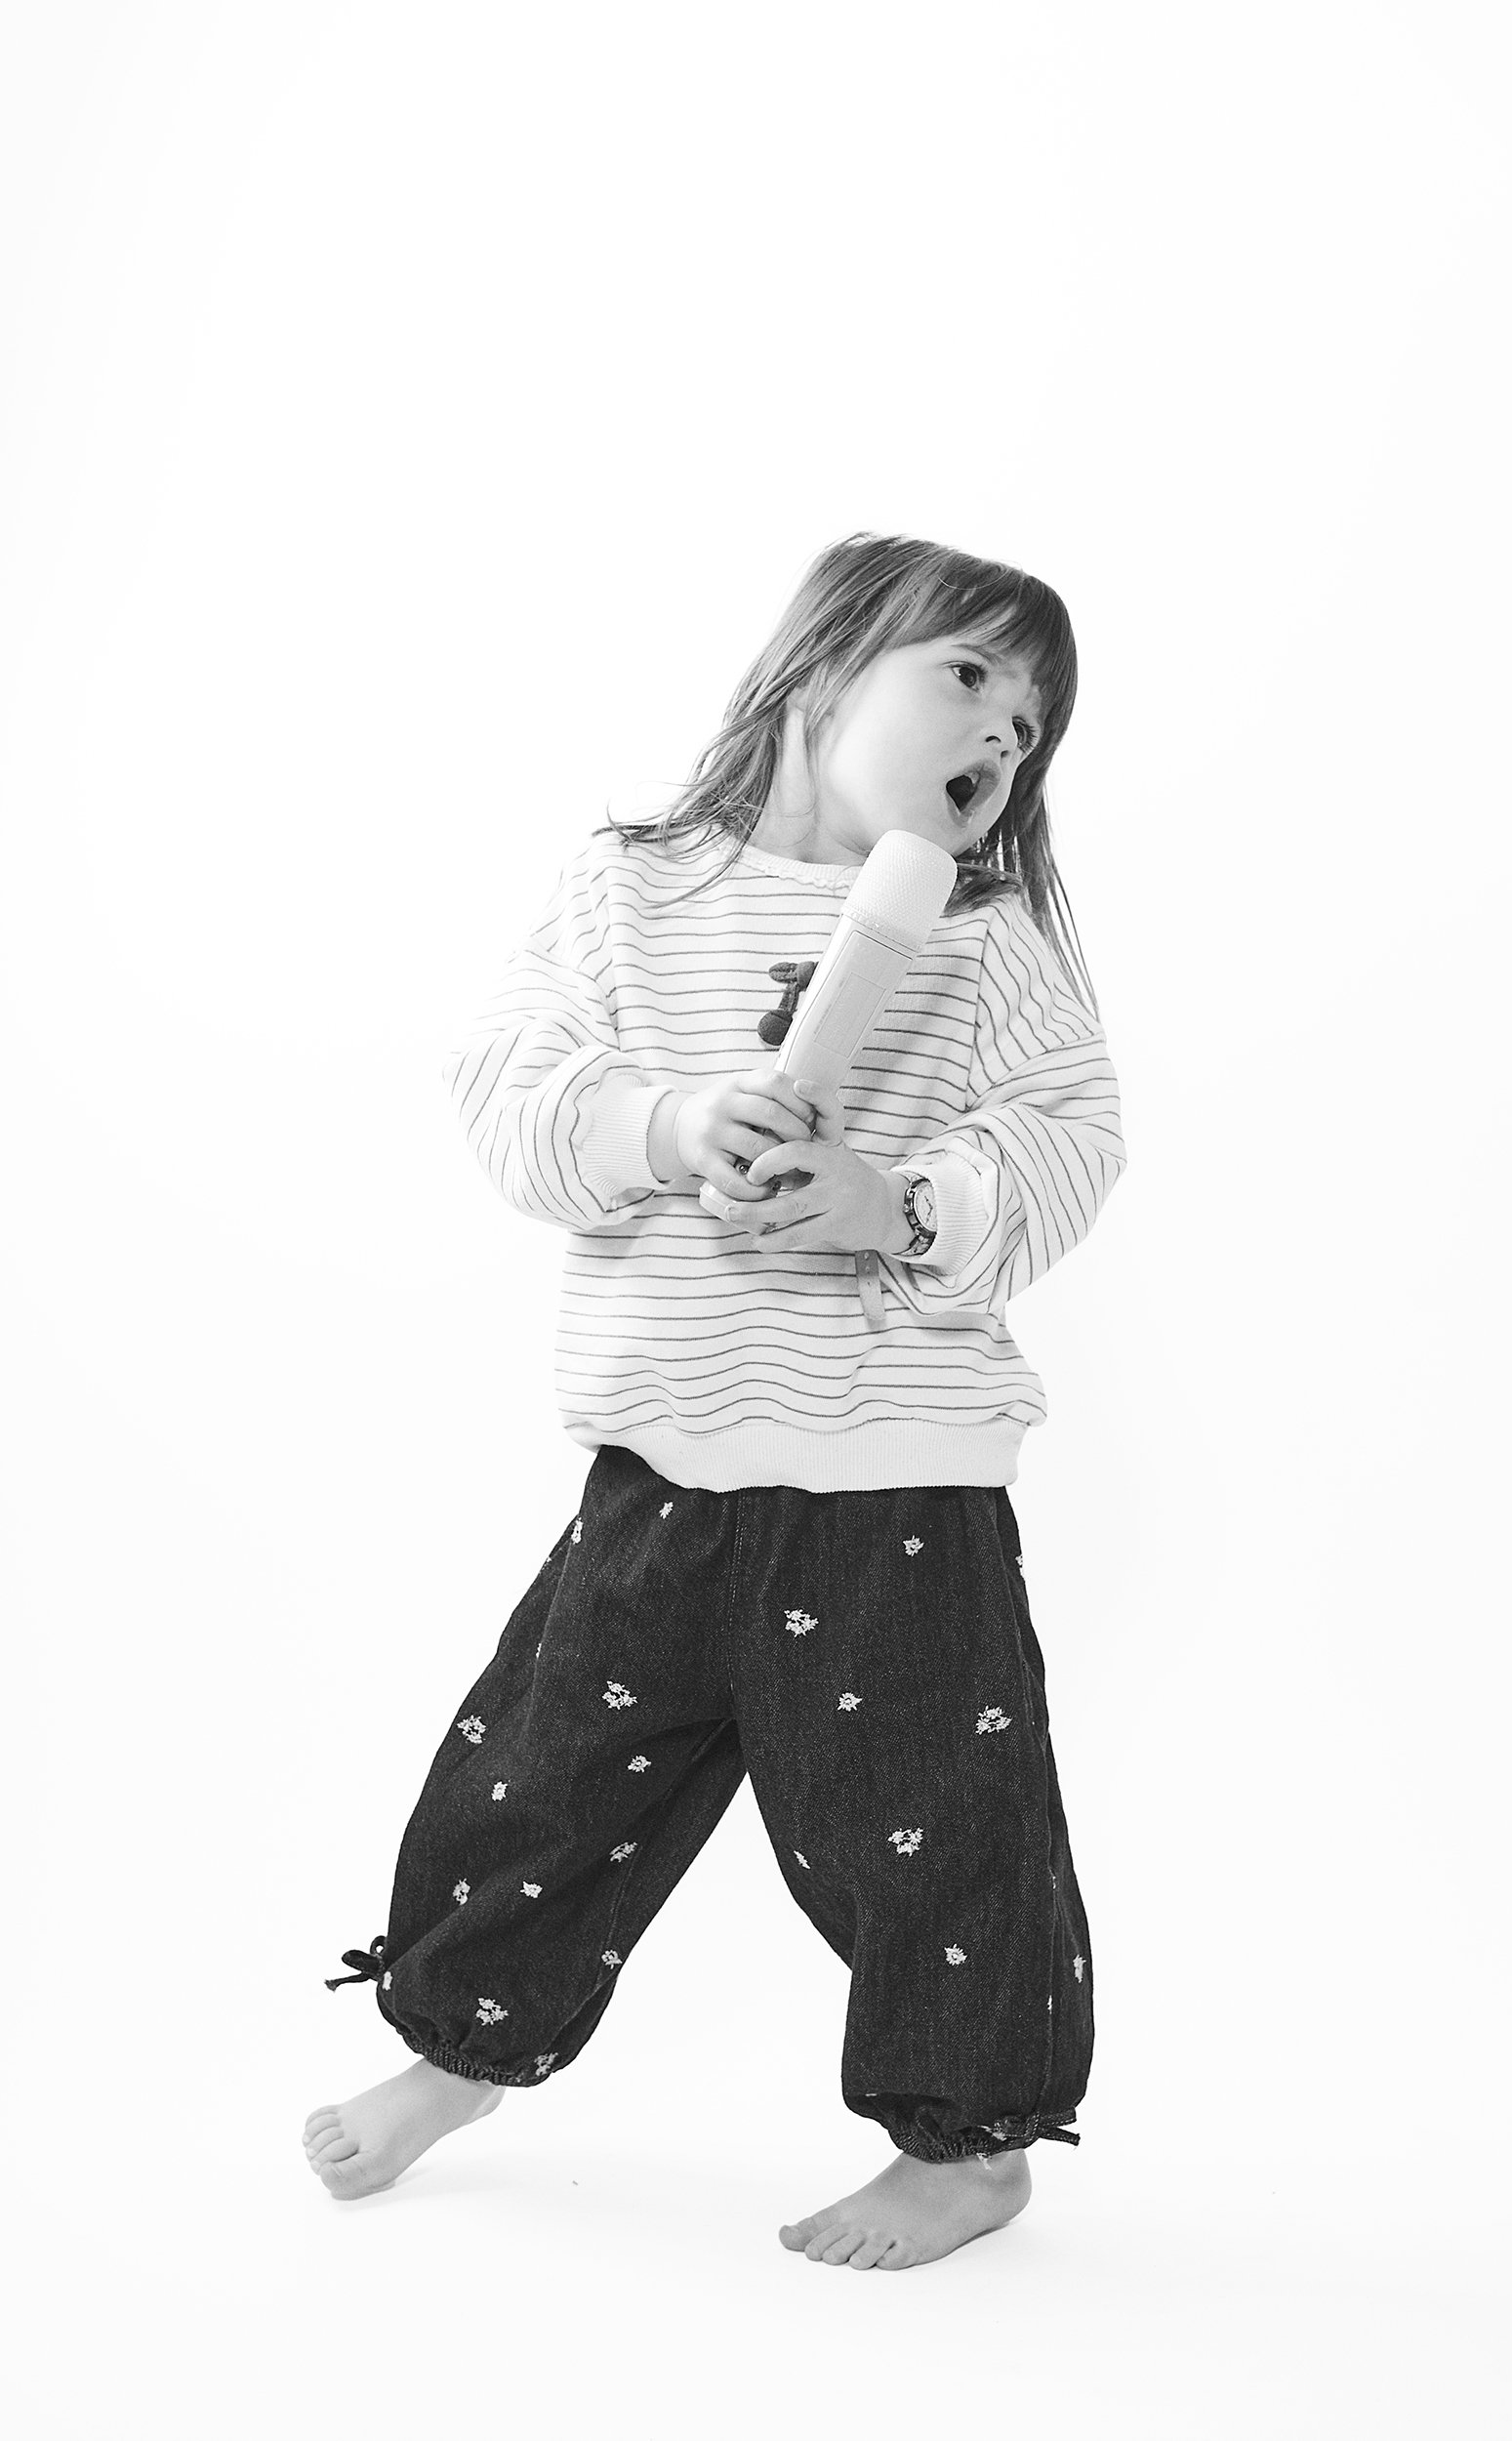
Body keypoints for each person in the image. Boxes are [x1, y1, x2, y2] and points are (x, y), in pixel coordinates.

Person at [302, 531, 1128, 2271]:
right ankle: (456, 2048)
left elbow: (1070, 1138)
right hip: (665, 1459)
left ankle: (972, 2144)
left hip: (895, 1475)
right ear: (821, 670)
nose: (1005, 732)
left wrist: (893, 1204)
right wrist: (673, 1126)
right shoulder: (632, 891)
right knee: (539, 1783)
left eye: (1035, 717)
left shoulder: (991, 939)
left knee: (933, 1831)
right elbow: (516, 1089)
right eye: (967, 676)